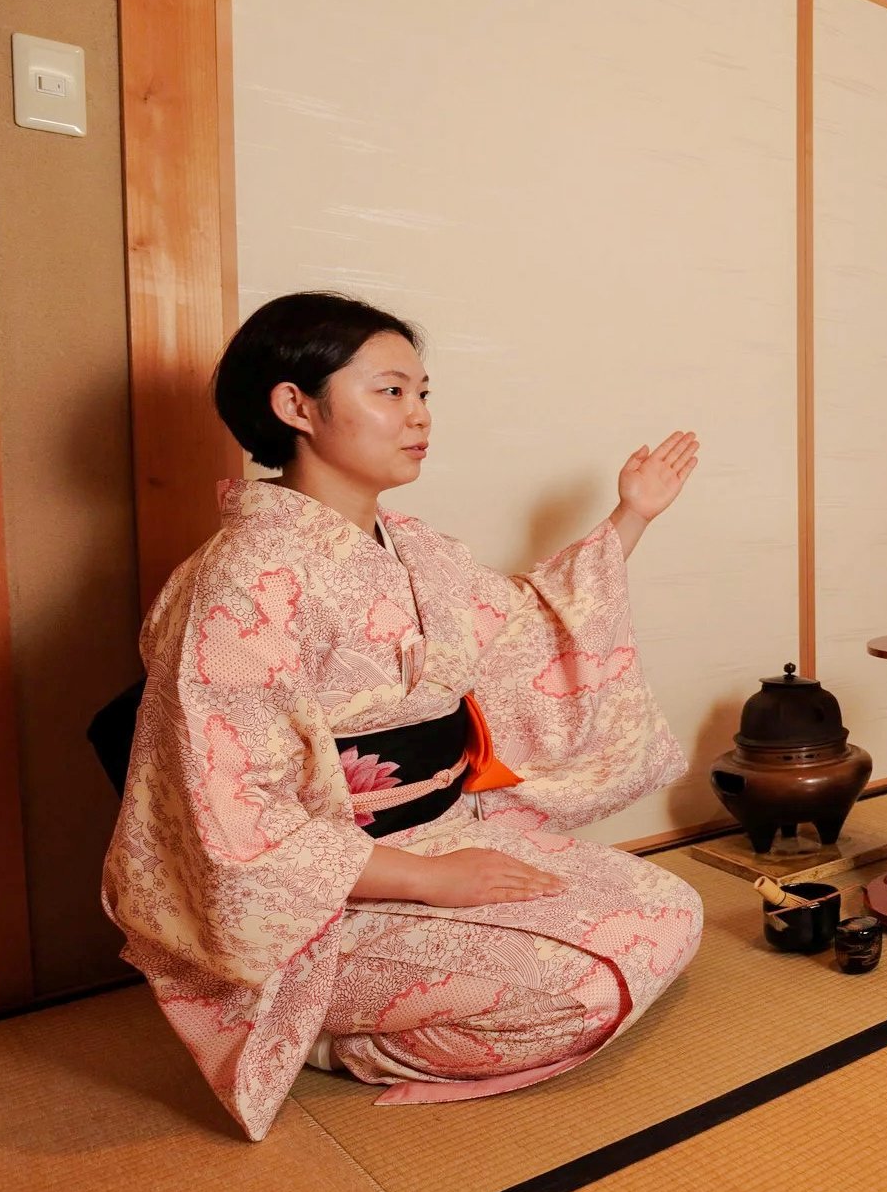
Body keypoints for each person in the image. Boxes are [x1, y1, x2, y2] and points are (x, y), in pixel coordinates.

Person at [102, 292, 706, 1140]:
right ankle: (310, 1028)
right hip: (323, 895)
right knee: (581, 988)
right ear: (294, 405)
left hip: (443, 830)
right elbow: (234, 811)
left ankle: (393, 998)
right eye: (391, 392)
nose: (419, 416)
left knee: (671, 909)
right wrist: (430, 879)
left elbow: (531, 623)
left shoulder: (416, 548)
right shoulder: (242, 581)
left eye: (424, 393)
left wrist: (631, 513)